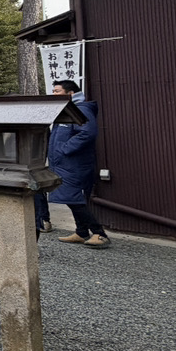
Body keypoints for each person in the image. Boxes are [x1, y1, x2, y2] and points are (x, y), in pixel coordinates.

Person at [49, 79, 110, 249]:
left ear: (71, 93)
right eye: (53, 91)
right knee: (70, 198)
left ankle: (100, 233)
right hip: (64, 163)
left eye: (57, 91)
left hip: (75, 164)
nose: (54, 94)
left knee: (74, 199)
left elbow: (87, 133)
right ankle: (82, 232)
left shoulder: (80, 109)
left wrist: (64, 149)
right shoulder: (66, 109)